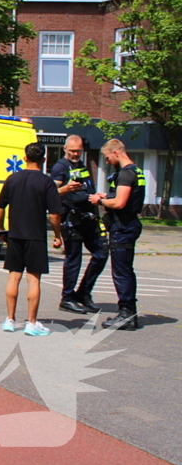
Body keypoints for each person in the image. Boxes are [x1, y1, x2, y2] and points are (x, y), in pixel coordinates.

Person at [0, 142, 63, 336]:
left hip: (15, 235)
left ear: (25, 158)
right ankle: (32, 323)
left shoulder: (12, 179)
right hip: (36, 236)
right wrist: (57, 235)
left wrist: (1, 228)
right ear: (43, 159)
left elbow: (0, 206)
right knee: (33, 280)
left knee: (13, 276)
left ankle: (10, 319)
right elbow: (54, 214)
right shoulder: (46, 182)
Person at [89, 139, 146, 331]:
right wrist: (109, 197)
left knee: (121, 272)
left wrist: (99, 201)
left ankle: (126, 314)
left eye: (107, 157)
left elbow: (120, 203)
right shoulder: (136, 171)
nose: (106, 161)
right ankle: (129, 313)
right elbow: (125, 199)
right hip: (128, 225)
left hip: (123, 227)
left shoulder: (125, 174)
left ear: (116, 153)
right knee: (125, 270)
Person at [49, 135, 107, 315]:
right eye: (72, 151)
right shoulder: (60, 167)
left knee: (101, 254)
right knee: (74, 259)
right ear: (65, 149)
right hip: (71, 219)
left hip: (88, 218)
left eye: (78, 151)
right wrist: (65, 189)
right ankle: (67, 298)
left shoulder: (81, 165)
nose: (75, 154)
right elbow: (50, 193)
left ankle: (83, 293)